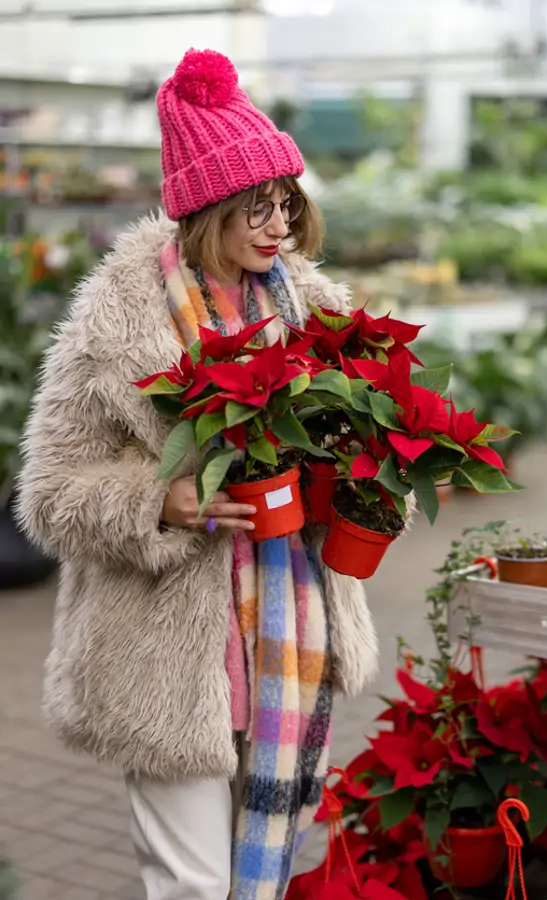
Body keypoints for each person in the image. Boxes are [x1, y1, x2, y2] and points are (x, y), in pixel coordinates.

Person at [15, 48, 381, 900]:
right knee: (190, 886)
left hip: (290, 640)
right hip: (167, 662)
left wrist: (363, 480)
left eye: (286, 201)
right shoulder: (119, 318)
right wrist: (160, 502)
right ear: (206, 209)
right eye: (256, 205)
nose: (278, 223)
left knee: (265, 875)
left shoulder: (317, 314)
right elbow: (48, 495)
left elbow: (357, 452)